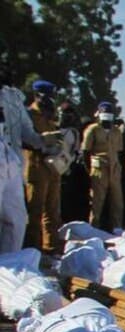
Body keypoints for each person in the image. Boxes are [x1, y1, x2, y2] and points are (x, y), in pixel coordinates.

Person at [0, 59, 41, 252]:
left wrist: (45, 141)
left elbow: (27, 132)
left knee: (16, 218)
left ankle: (10, 263)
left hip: (11, 160)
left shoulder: (14, 97)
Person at [24, 80, 60, 250]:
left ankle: (51, 246)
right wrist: (43, 142)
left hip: (52, 167)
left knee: (52, 210)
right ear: (37, 95)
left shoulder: (50, 115)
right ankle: (34, 249)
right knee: (35, 210)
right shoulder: (28, 115)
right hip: (36, 167)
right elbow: (24, 140)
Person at [81, 102, 125, 231]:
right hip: (99, 168)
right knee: (97, 201)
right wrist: (89, 170)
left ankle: (117, 227)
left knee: (117, 201)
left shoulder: (116, 131)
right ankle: (94, 227)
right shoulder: (92, 130)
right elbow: (85, 151)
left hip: (114, 168)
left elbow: (119, 151)